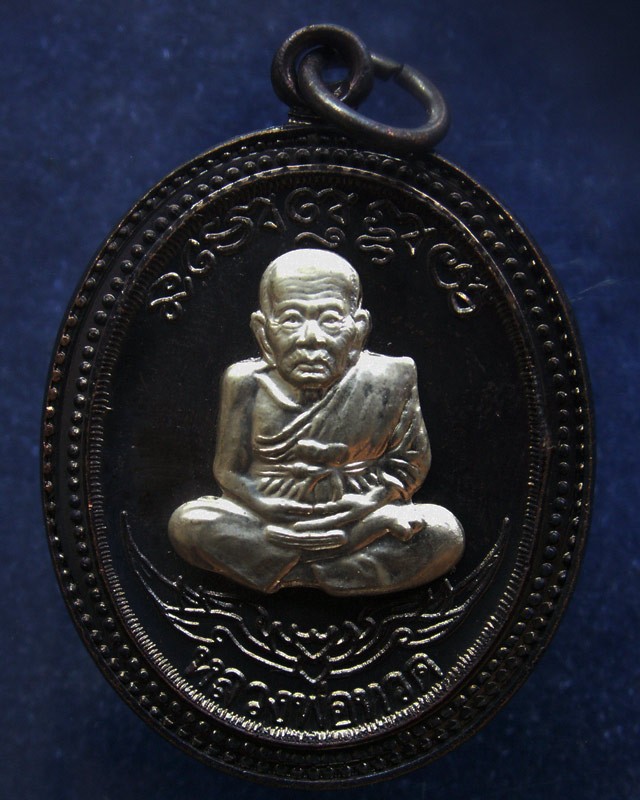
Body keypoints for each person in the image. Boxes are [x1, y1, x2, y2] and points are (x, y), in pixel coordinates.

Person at [169, 248, 464, 595]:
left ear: (358, 330)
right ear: (263, 332)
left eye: (330, 319)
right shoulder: (245, 382)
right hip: (272, 520)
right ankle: (334, 567)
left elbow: (410, 463)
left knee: (443, 533)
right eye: (291, 319)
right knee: (189, 524)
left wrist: (367, 507)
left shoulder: (391, 377)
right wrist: (267, 506)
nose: (311, 337)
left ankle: (290, 566)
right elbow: (229, 470)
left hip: (359, 510)